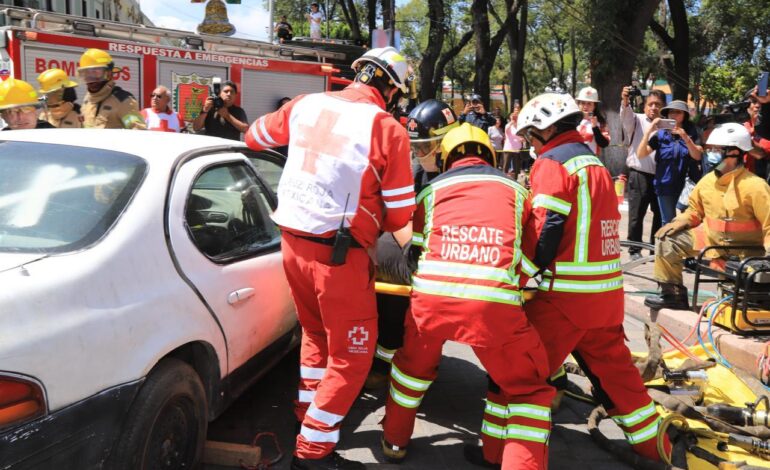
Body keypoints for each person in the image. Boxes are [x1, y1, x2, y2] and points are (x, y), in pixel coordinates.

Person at [244, 46, 414, 470]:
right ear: (390, 89)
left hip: (293, 246)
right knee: (353, 354)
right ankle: (313, 451)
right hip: (340, 258)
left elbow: (254, 138)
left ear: (359, 73)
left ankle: (307, 418)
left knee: (316, 337)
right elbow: (399, 215)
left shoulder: (305, 104)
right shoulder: (386, 127)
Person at [380, 122, 554, 469]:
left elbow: (414, 251)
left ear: (446, 157)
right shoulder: (519, 192)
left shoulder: (429, 192)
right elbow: (531, 250)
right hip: (493, 303)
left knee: (410, 370)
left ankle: (394, 442)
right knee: (528, 390)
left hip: (431, 299)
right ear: (489, 154)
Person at [511, 92, 671, 463]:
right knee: (619, 379)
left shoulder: (553, 163)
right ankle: (655, 447)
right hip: (605, 296)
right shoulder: (592, 162)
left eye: (532, 136)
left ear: (547, 129)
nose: (532, 146)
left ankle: (510, 454)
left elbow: (545, 229)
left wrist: (516, 277)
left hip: (564, 299)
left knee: (521, 375)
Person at [366, 98, 460, 390]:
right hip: (423, 247)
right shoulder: (420, 169)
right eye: (415, 147)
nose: (419, 154)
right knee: (390, 286)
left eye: (424, 147)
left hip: (455, 255)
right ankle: (386, 355)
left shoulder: (460, 173)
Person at [644, 123, 770, 310]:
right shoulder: (707, 181)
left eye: (717, 149)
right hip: (713, 242)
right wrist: (681, 221)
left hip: (747, 251)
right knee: (667, 240)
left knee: (738, 304)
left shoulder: (755, 186)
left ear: (735, 152)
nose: (710, 153)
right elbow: (694, 210)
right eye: (710, 148)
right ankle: (673, 295)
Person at [636, 100, 703, 225]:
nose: (673, 115)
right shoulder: (660, 135)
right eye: (670, 112)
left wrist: (685, 138)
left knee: (688, 222)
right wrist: (648, 132)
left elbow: (697, 156)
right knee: (668, 222)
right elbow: (641, 154)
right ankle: (667, 245)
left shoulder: (693, 132)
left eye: (678, 112)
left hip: (687, 187)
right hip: (665, 185)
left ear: (684, 115)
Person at [621, 87, 666, 260]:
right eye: (651, 104)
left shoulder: (667, 125)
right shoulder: (637, 120)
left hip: (661, 177)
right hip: (639, 174)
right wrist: (625, 100)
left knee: (659, 214)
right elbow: (625, 115)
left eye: (658, 104)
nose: (654, 107)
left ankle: (655, 250)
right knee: (636, 214)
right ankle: (635, 250)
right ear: (645, 106)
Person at [77, 48, 146, 130]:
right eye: (86, 73)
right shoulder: (88, 100)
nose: (90, 78)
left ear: (108, 74)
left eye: (96, 73)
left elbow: (138, 133)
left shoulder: (124, 101)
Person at [575, 86, 610, 156]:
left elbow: (604, 144)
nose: (585, 106)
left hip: (591, 161)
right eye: (583, 103)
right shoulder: (571, 121)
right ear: (578, 104)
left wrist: (595, 128)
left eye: (589, 103)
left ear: (594, 106)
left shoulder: (600, 122)